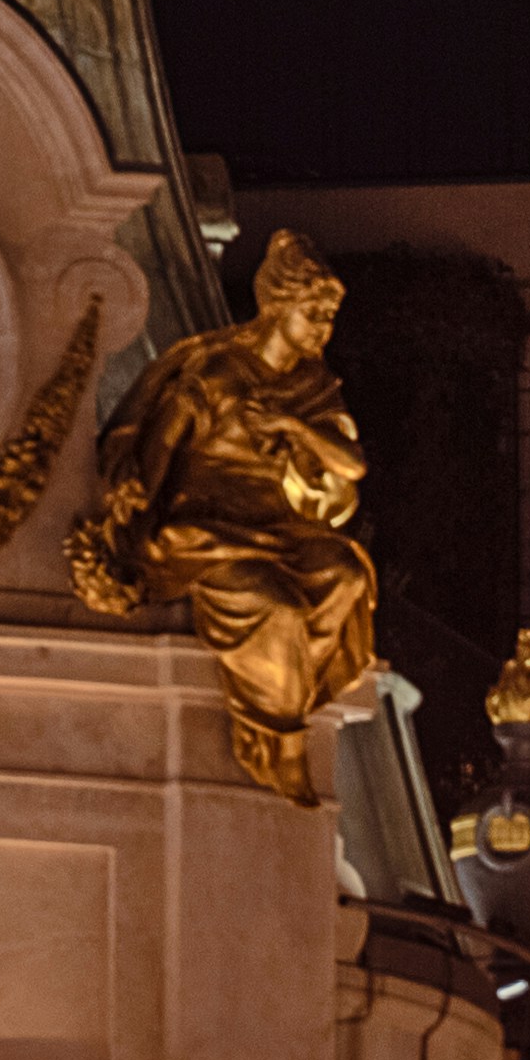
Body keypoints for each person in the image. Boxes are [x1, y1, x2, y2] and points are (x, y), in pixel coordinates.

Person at [72, 229, 380, 796]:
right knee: (278, 606)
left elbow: (352, 464)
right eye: (313, 314)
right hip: (205, 527)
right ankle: (274, 738)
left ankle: (290, 700)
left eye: (328, 317)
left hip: (276, 525)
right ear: (279, 307)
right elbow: (160, 445)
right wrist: (138, 511)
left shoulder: (311, 384)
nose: (322, 329)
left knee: (348, 575)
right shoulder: (217, 373)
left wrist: (292, 426)